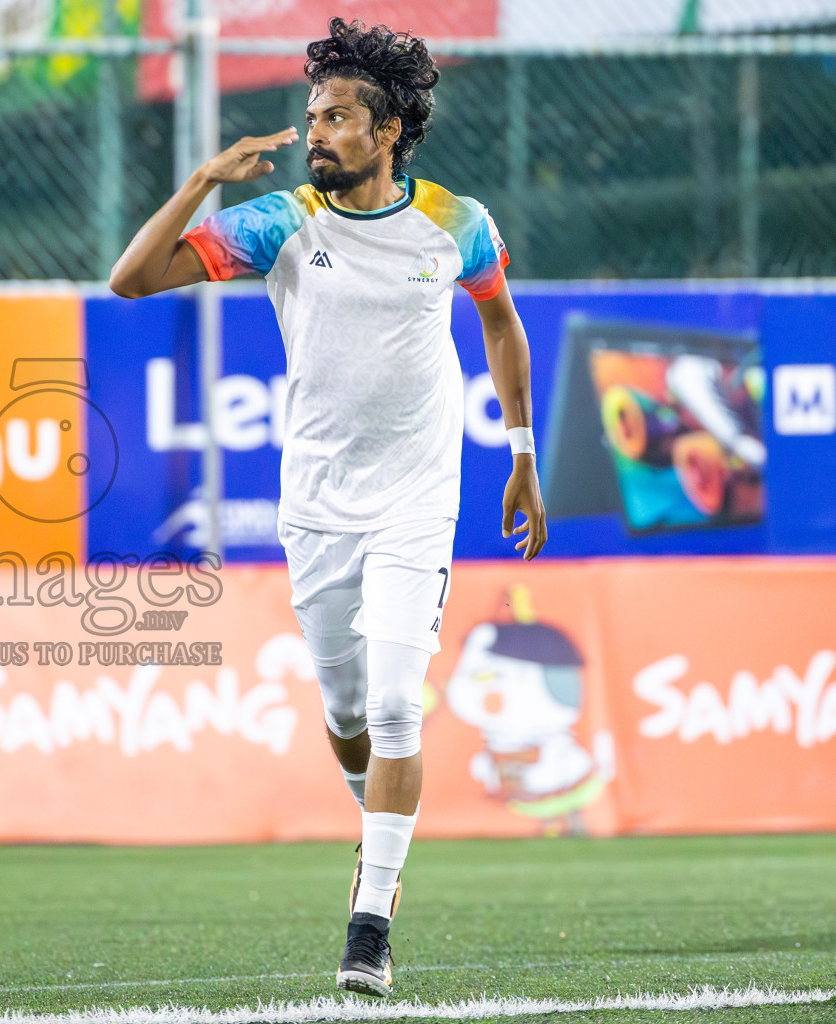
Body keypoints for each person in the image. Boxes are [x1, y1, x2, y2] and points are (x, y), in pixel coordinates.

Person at [108, 18, 547, 998]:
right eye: (311, 115)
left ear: (386, 131)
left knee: (396, 704)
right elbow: (129, 280)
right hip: (315, 505)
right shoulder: (277, 222)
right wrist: (198, 184)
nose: (316, 131)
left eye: (338, 116)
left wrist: (520, 455)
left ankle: (370, 917)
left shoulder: (456, 223)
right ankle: (373, 814)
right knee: (347, 712)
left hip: (417, 497)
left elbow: (499, 323)